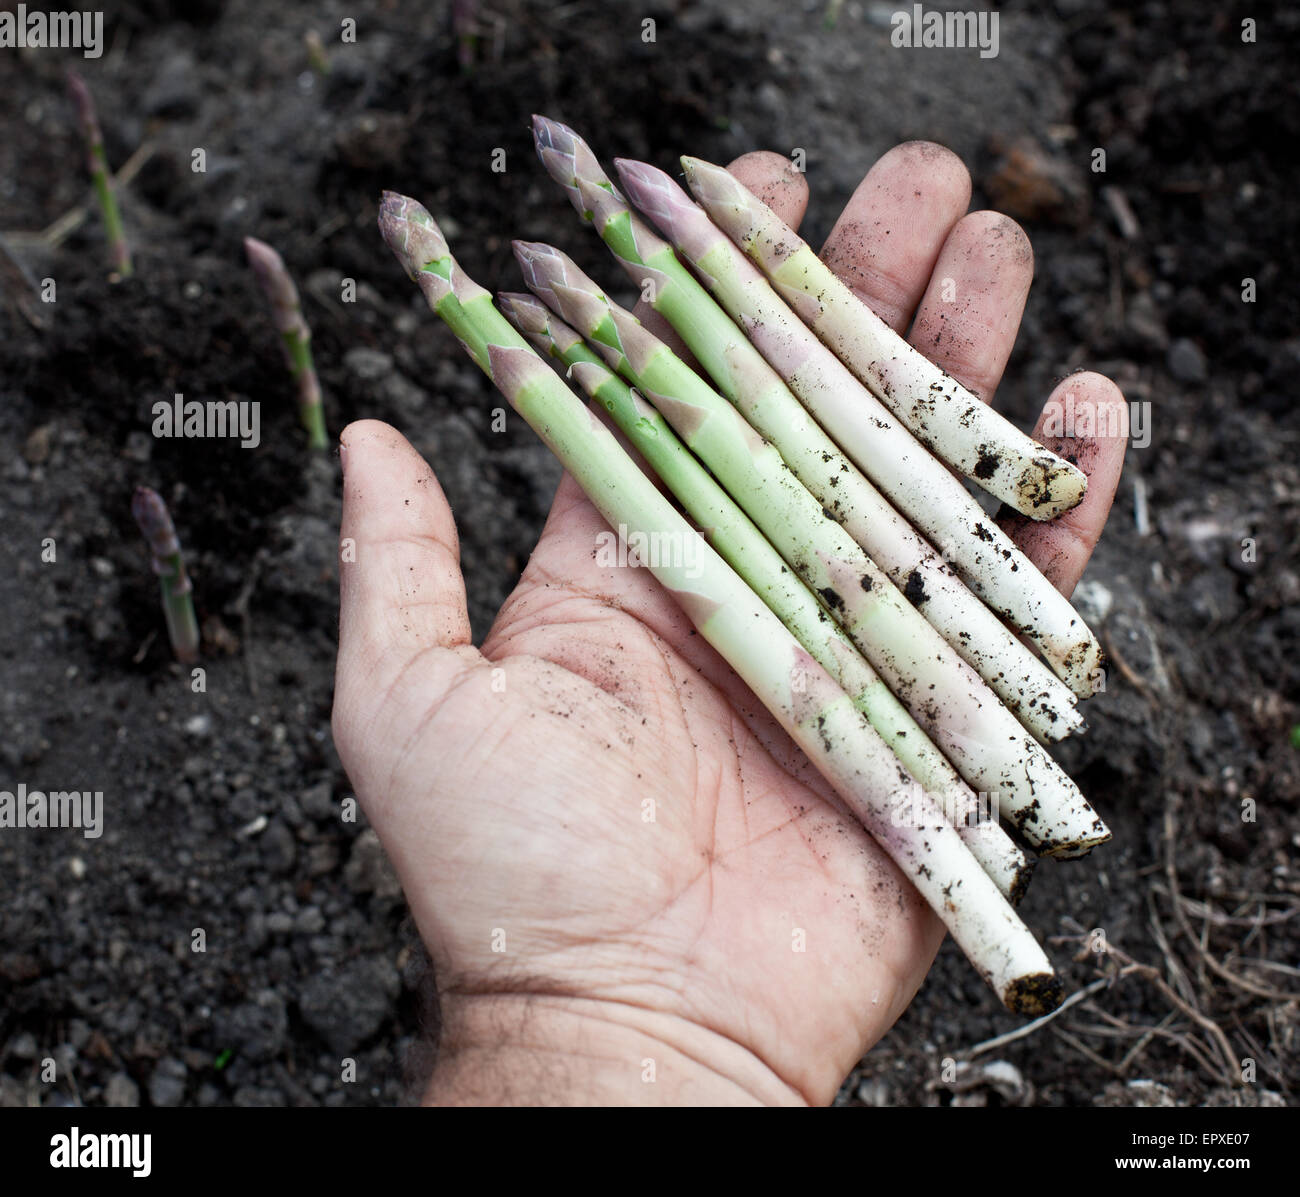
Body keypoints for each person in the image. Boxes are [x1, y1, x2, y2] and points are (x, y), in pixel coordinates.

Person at [331, 143, 1128, 1105]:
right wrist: (585, 1012)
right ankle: (994, 835)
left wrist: (563, 1026)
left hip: (913, 581)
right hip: (864, 665)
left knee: (895, 550)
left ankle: (999, 821)